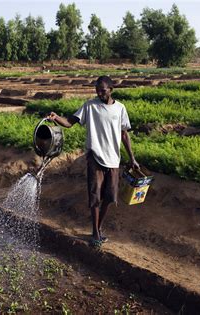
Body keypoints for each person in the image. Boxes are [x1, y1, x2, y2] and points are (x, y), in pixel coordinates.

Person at [47, 75, 140, 249]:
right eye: (97, 90)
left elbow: (124, 134)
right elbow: (69, 123)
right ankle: (96, 232)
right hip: (95, 157)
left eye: (103, 90)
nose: (99, 93)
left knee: (109, 197)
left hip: (113, 159)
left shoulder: (120, 108)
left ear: (111, 90)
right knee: (95, 196)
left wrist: (132, 158)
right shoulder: (90, 106)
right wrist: (56, 117)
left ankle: (98, 227)